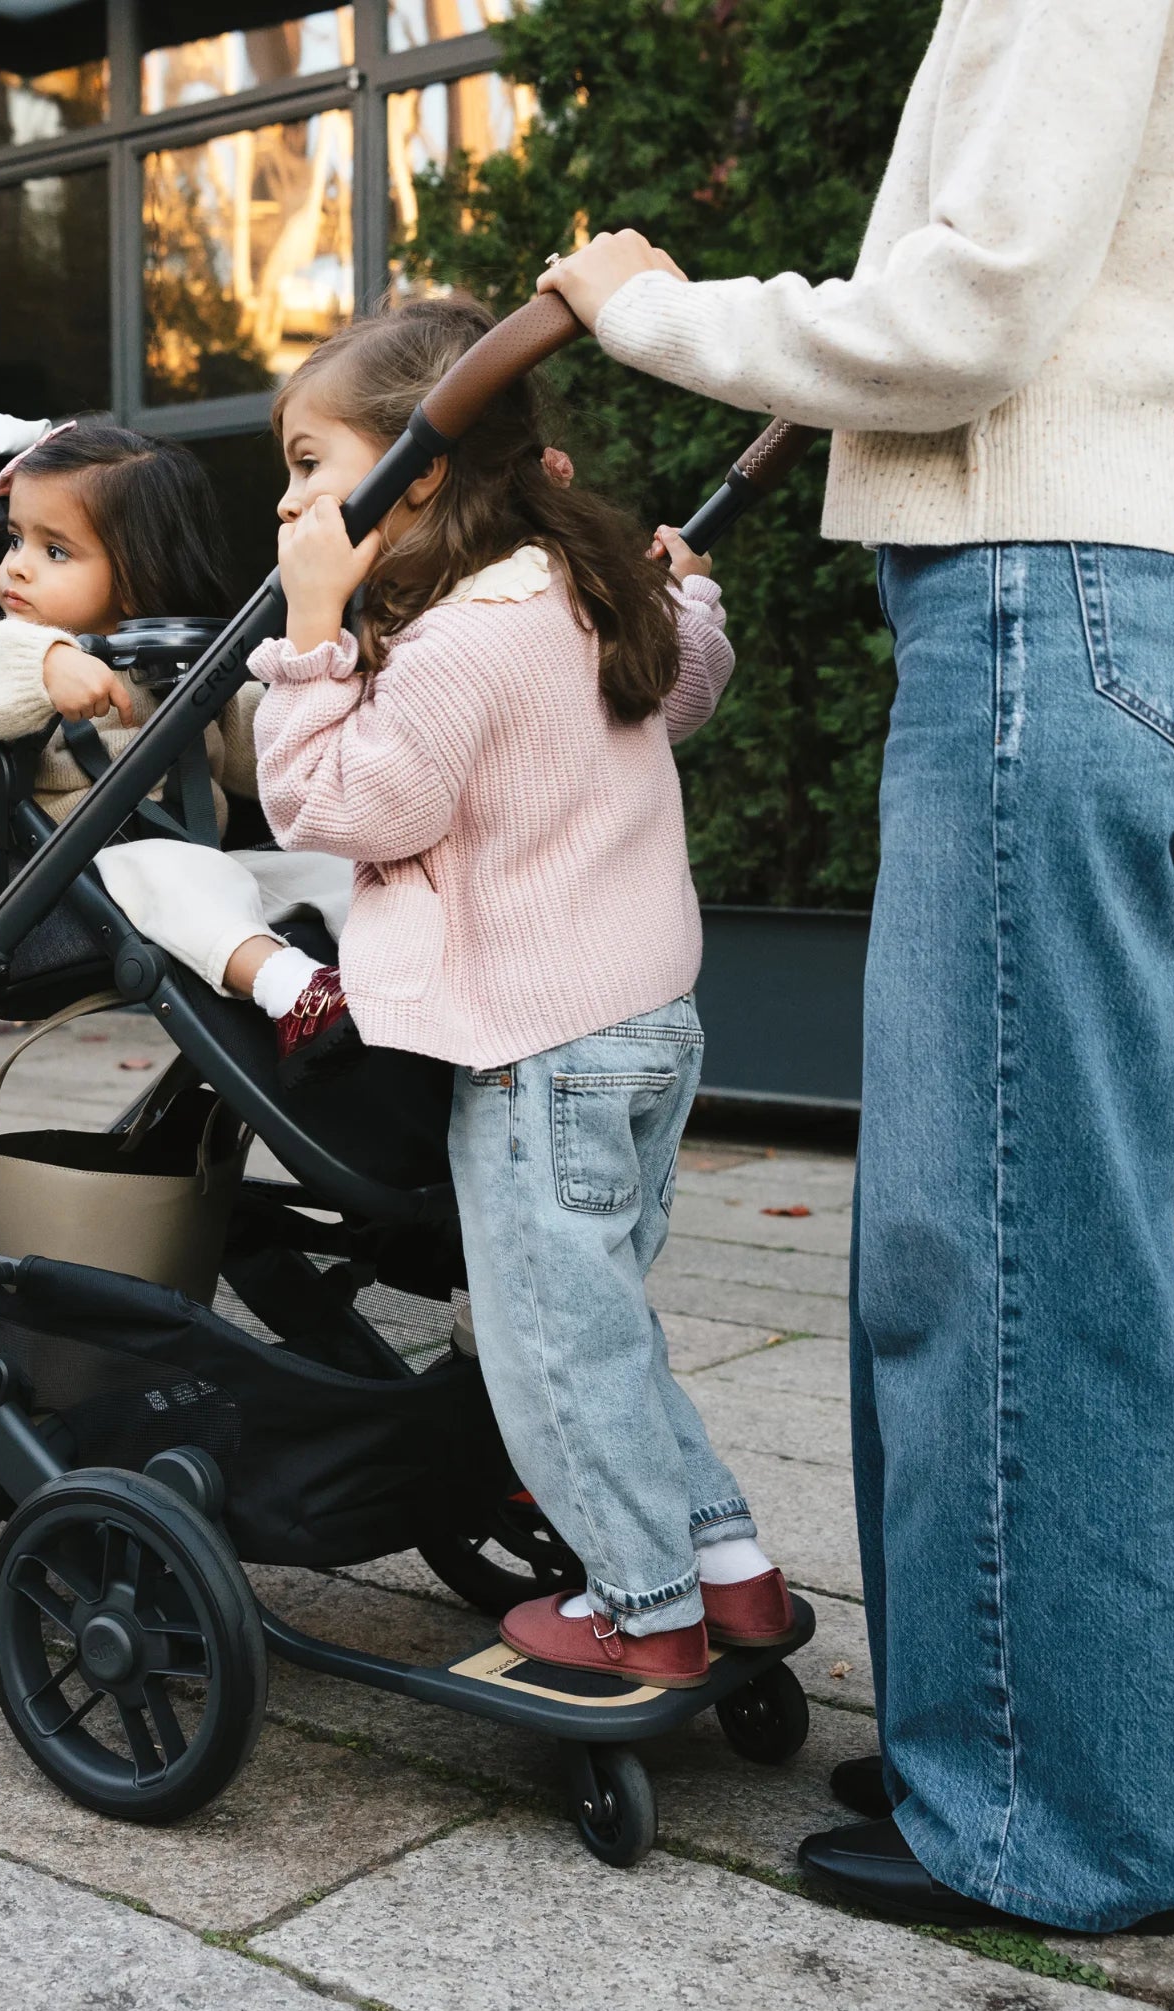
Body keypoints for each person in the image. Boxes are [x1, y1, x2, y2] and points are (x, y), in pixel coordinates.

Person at [539, 0, 1174, 1934]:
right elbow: (982, 296)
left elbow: (968, 317)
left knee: (1008, 1239)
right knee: (988, 1228)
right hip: (1095, 604)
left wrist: (652, 314)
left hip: (1052, 602)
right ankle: (1008, 1738)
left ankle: (1059, 1822)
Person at [250, 294, 786, 1686]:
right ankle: (728, 1571)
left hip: (539, 1049)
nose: (292, 497)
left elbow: (334, 800)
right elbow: (688, 687)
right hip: (647, 1029)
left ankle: (641, 1607)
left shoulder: (460, 647)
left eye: (313, 463)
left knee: (550, 1345)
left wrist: (312, 638)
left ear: (412, 473)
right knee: (607, 1316)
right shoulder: (580, 596)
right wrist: (692, 593)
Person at [0, 420, 356, 1078]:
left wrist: (273, 691)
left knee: (326, 869)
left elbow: (257, 754)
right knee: (178, 876)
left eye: (55, 551)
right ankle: (295, 996)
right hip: (83, 882)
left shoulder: (169, 663)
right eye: (17, 539)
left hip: (202, 863)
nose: (16, 564)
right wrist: (47, 663)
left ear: (134, 579)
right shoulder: (13, 650)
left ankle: (392, 975)